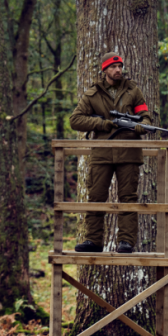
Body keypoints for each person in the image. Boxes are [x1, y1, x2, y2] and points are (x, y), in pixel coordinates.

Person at [68, 52, 153, 254]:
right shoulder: (92, 94)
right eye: (114, 67)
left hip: (129, 153)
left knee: (128, 198)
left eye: (120, 67)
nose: (118, 70)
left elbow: (146, 117)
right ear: (105, 69)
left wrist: (143, 126)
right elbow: (75, 120)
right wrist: (102, 124)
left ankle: (126, 242)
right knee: (96, 196)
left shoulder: (133, 91)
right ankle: (93, 240)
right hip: (101, 154)